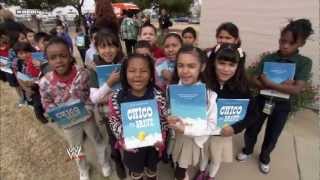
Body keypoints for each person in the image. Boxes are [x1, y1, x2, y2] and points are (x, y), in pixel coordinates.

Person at [236, 19, 314, 174]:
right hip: (261, 100)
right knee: (252, 128)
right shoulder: (269, 58)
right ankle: (247, 149)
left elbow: (296, 89)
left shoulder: (304, 62)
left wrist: (268, 82)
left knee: (273, 134)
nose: (285, 45)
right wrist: (283, 86)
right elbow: (252, 80)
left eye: (291, 43)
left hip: (282, 105)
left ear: (301, 44)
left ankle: (265, 157)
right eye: (283, 41)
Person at [39, 37, 111, 180]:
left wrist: (89, 108)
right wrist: (56, 114)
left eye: (63, 55)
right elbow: (46, 102)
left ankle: (104, 162)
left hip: (87, 117)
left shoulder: (83, 73)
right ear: (47, 59)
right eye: (53, 57)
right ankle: (82, 168)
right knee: (74, 146)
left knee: (97, 139)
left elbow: (89, 95)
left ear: (70, 54)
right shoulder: (45, 82)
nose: (59, 60)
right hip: (68, 122)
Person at [195, 43, 256, 180]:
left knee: (216, 158)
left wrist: (235, 128)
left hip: (224, 133)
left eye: (231, 65)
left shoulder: (242, 88)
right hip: (205, 131)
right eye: (221, 63)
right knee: (204, 154)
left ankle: (211, 176)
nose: (226, 69)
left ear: (238, 67)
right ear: (214, 62)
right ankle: (202, 171)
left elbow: (253, 114)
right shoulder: (204, 82)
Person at [108, 54, 168, 180]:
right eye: (132, 71)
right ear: (124, 73)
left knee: (152, 168)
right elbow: (114, 121)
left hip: (153, 146)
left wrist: (161, 137)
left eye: (144, 71)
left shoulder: (158, 95)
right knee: (136, 171)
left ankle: (152, 176)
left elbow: (164, 120)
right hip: (132, 149)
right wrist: (123, 139)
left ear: (151, 74)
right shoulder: (116, 97)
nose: (138, 75)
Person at [167, 45, 219, 180]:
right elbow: (167, 111)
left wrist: (185, 128)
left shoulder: (209, 95)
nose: (185, 71)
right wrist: (168, 118)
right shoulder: (171, 90)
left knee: (182, 167)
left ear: (201, 67)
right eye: (180, 65)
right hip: (175, 138)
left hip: (193, 140)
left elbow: (211, 125)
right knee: (177, 163)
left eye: (191, 66)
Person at [86, 29, 126, 179]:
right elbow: (94, 98)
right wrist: (110, 83)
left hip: (125, 110)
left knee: (126, 137)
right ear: (97, 48)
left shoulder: (124, 64)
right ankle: (115, 163)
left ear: (118, 47)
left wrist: (107, 96)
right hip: (106, 114)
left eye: (111, 46)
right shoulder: (94, 69)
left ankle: (124, 160)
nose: (108, 51)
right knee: (112, 139)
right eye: (103, 47)